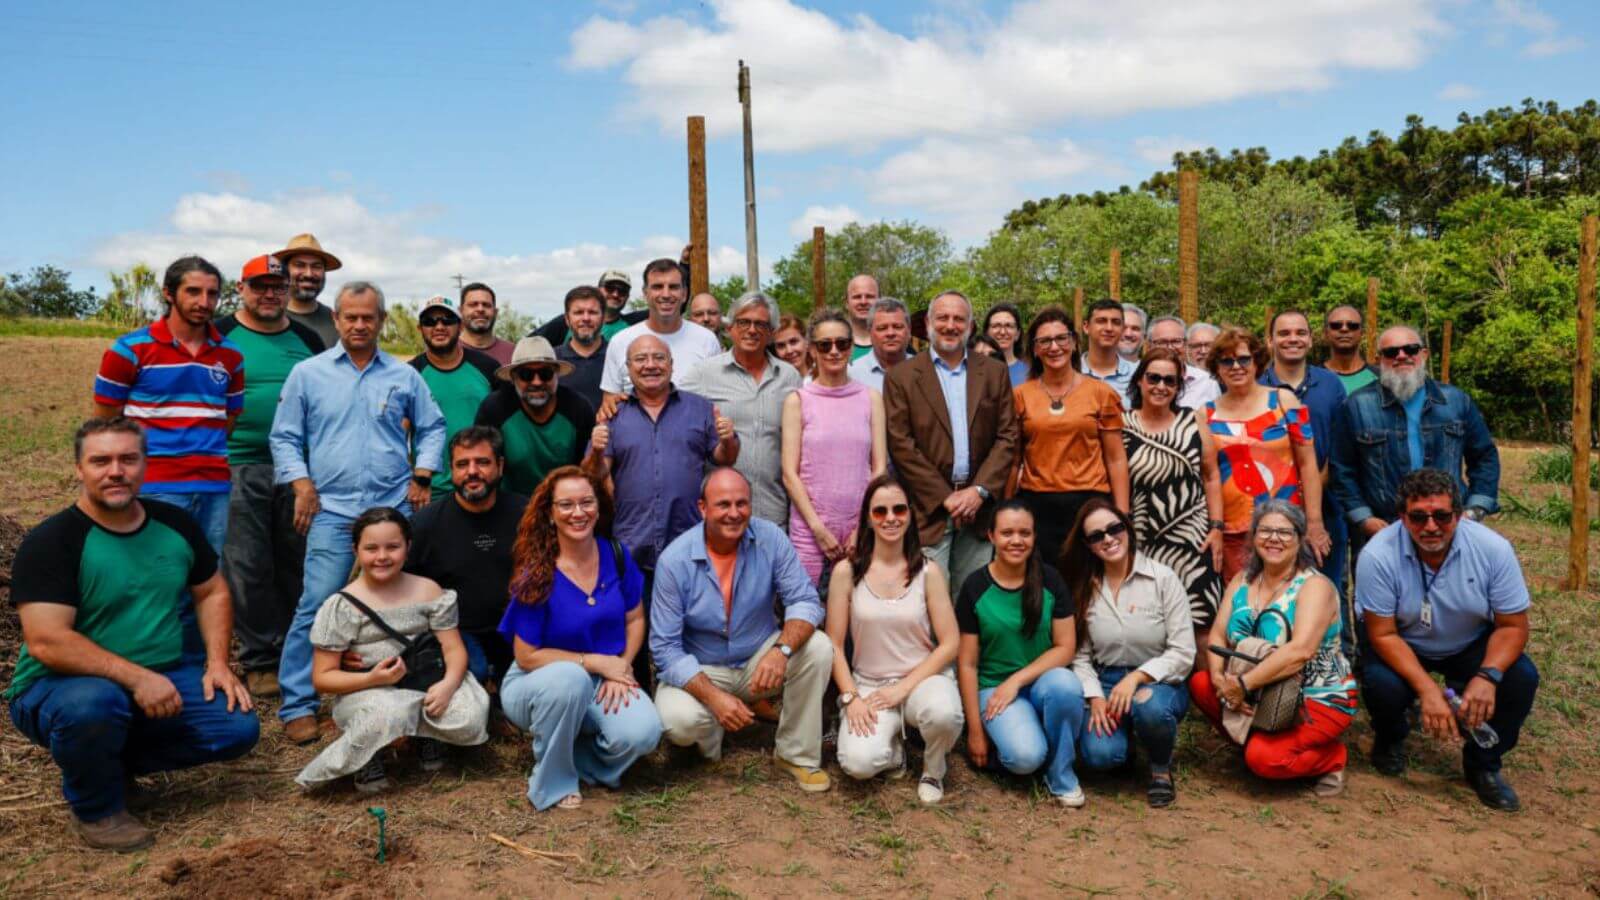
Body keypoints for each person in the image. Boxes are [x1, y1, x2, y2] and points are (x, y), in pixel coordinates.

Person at [6, 418, 257, 851]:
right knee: (93, 707)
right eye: (100, 461)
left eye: (128, 459)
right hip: (59, 688)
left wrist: (217, 663)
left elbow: (212, 590)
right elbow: (48, 641)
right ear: (79, 469)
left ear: (146, 465)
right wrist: (138, 679)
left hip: (161, 672)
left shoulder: (174, 525)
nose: (115, 471)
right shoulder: (53, 542)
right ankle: (97, 807)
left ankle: (105, 761)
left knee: (235, 727)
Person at [269, 281, 447, 745]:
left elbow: (432, 427)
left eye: (369, 317)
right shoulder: (309, 375)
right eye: (351, 317)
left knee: (402, 600)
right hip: (331, 507)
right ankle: (298, 703)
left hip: (391, 505)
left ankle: (406, 686)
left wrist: (423, 474)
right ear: (337, 319)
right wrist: (301, 483)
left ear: (382, 321)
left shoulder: (405, 376)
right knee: (318, 601)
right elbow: (284, 436)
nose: (359, 325)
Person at [1356, 469, 1537, 811]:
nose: (1431, 526)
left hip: (1469, 639)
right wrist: (1427, 691)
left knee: (1520, 679)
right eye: (1418, 517)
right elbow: (1382, 633)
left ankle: (1483, 764)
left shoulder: (1492, 549)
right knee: (1380, 684)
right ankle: (1390, 737)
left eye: (1442, 515)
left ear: (1458, 514)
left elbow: (1513, 626)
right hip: (1402, 640)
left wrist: (1488, 676)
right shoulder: (1377, 554)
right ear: (1402, 518)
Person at [651, 468, 835, 791]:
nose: (734, 513)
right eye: (723, 505)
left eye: (742, 503)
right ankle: (711, 734)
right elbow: (665, 649)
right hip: (704, 668)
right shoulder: (673, 561)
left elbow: (805, 601)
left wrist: (782, 651)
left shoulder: (770, 538)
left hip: (759, 660)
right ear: (703, 508)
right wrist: (714, 697)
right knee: (676, 720)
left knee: (818, 647)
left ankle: (796, 754)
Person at [498, 466, 662, 811]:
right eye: (566, 505)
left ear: (599, 508)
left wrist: (622, 666)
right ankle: (553, 783)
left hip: (604, 676)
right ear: (551, 513)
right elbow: (527, 656)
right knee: (570, 680)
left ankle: (576, 759)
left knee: (644, 733)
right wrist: (593, 662)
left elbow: (635, 619)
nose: (578, 513)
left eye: (586, 502)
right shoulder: (537, 572)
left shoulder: (616, 556)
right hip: (537, 682)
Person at [295, 507, 489, 793]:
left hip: (425, 681)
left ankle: (425, 736)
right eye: (371, 548)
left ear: (407, 548)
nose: (382, 556)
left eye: (392, 547)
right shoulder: (342, 605)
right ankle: (366, 756)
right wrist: (372, 679)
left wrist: (448, 685)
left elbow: (454, 650)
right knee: (388, 711)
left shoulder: (429, 591)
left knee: (472, 712)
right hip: (367, 691)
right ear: (356, 550)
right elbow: (322, 678)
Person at [590, 335, 738, 687]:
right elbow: (595, 476)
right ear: (628, 369)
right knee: (632, 626)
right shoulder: (614, 414)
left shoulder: (699, 408)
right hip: (632, 542)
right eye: (641, 359)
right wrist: (595, 451)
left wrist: (729, 437)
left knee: (689, 627)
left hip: (687, 541)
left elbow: (724, 459)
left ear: (671, 364)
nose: (650, 365)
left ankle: (689, 696)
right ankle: (638, 695)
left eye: (659, 357)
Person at [1189, 501, 1356, 796]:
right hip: (1258, 690)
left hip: (1314, 694)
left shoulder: (1314, 586)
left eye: (1284, 532)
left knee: (1264, 761)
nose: (1274, 538)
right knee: (1202, 684)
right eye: (1265, 530)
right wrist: (1218, 677)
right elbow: (1216, 635)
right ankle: (1258, 739)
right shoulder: (1242, 580)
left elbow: (1300, 651)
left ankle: (1331, 758)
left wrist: (1241, 684)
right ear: (1253, 537)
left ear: (1300, 538)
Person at [216, 255, 326, 697]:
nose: (269, 294)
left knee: (296, 560)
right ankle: (260, 657)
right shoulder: (220, 334)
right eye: (259, 286)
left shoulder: (306, 338)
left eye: (277, 287)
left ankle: (295, 651)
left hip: (297, 469)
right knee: (246, 562)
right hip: (236, 462)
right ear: (241, 289)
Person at [826, 475, 963, 804]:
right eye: (880, 511)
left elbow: (950, 642)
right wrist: (851, 698)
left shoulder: (928, 571)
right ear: (868, 519)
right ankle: (895, 754)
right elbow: (833, 644)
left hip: (920, 680)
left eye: (899, 509)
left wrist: (902, 689)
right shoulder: (847, 571)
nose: (890, 518)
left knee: (944, 714)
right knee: (856, 764)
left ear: (910, 515)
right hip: (870, 686)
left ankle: (933, 768)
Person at [93, 255, 242, 556]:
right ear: (168, 293)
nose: (204, 301)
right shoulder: (129, 349)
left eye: (212, 293)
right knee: (156, 575)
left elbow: (228, 420)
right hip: (154, 485)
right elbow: (106, 422)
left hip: (214, 486)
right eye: (193, 291)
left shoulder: (231, 356)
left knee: (206, 574)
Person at [1063, 500, 1195, 807]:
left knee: (1150, 709)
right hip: (1106, 680)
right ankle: (1126, 747)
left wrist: (1137, 677)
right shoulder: (1084, 587)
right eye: (1097, 536)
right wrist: (1094, 696)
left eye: (1114, 529)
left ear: (1128, 529)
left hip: (1158, 682)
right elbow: (1080, 657)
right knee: (1100, 757)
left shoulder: (1162, 578)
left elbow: (1184, 651)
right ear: (1088, 545)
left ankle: (1160, 769)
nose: (1108, 539)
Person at [885, 291, 1019, 592]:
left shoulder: (994, 372)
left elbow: (1007, 435)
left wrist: (979, 491)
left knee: (973, 599)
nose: (950, 325)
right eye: (942, 317)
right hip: (929, 510)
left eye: (959, 318)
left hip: (978, 510)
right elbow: (901, 444)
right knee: (929, 600)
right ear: (929, 323)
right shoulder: (902, 376)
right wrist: (945, 497)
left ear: (970, 326)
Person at [956, 500, 1085, 806]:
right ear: (991, 536)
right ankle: (1033, 744)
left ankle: (1062, 776)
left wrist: (1017, 680)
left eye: (1024, 533)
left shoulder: (1050, 580)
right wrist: (975, 730)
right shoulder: (975, 586)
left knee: (1066, 685)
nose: (1016, 540)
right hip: (993, 689)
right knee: (1024, 757)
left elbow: (1065, 647)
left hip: (1042, 683)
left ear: (1034, 536)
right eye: (1007, 533)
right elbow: (968, 663)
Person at [1329, 325, 1500, 536]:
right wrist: (1363, 518)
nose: (1401, 356)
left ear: (1424, 354)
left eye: (1410, 349)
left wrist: (1474, 510)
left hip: (1448, 524)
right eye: (1391, 352)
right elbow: (1342, 469)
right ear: (1379, 359)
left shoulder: (1457, 401)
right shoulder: (1356, 406)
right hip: (1383, 528)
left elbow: (1484, 457)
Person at [406, 427, 530, 686]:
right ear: (451, 469)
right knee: (474, 671)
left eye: (482, 462)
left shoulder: (527, 514)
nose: (472, 471)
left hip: (516, 627)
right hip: (453, 632)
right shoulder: (424, 525)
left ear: (500, 465)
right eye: (462, 464)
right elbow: (397, 586)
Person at [1202, 326, 1328, 582]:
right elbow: (1209, 476)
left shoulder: (1284, 400)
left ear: (1257, 362)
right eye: (1227, 361)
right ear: (1217, 368)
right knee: (1243, 603)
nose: (1236, 366)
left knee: (1290, 599)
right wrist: (1215, 527)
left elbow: (1308, 463)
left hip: (1286, 523)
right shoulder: (1204, 414)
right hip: (1234, 529)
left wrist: (1314, 522)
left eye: (1243, 359)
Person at [1260, 310, 1352, 646]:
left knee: (1327, 585)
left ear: (1311, 340)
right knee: (1275, 586)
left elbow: (1341, 444)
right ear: (1270, 340)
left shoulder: (1329, 384)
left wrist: (1315, 486)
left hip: (1325, 506)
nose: (1293, 339)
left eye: (1301, 332)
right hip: (1272, 505)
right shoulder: (1257, 385)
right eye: (1284, 333)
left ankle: (1334, 660)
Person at [1122, 349, 1224, 645]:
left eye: (1170, 380)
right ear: (1139, 380)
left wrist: (1217, 528)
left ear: (1179, 387)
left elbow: (1211, 475)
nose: (1161, 386)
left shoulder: (1193, 421)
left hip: (1193, 539)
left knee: (1202, 621)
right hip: (1140, 539)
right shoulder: (1121, 424)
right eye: (1153, 378)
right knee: (1150, 623)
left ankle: (1206, 690)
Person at [1012, 307, 1130, 561]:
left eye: (1061, 339)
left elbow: (1116, 458)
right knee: (1044, 585)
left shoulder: (1101, 393)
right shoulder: (1021, 395)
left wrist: (1121, 514)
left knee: (1090, 585)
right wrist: (1007, 510)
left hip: (1090, 503)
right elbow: (1013, 461)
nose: (1054, 347)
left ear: (1074, 343)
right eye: (1044, 341)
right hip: (1038, 505)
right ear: (1034, 349)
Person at [782, 310, 887, 583]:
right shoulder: (798, 400)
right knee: (807, 612)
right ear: (812, 350)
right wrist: (818, 529)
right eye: (824, 345)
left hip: (860, 528)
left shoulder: (871, 398)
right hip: (809, 530)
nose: (833, 351)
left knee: (858, 614)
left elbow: (879, 469)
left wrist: (862, 526)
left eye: (842, 343)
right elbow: (789, 474)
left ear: (851, 348)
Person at [682, 291, 802, 528]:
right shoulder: (704, 374)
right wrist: (618, 400)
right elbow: (665, 402)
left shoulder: (789, 377)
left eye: (761, 324)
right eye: (743, 322)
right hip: (722, 515)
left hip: (774, 512)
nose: (751, 330)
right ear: (730, 328)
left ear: (771, 332)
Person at [474, 336, 596, 498]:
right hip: (510, 502)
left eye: (545, 374)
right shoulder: (495, 408)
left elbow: (586, 468)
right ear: (513, 377)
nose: (537, 382)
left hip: (563, 500)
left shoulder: (578, 408)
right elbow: (483, 463)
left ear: (556, 375)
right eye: (526, 374)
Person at [408, 295, 501, 499]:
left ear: (460, 327)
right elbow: (400, 433)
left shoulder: (488, 368)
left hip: (483, 483)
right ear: (420, 329)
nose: (439, 326)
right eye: (430, 322)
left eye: (447, 320)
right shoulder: (409, 374)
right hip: (430, 490)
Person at [600, 259, 722, 397]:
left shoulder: (707, 340)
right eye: (657, 287)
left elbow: (718, 398)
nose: (666, 294)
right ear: (645, 294)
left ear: (684, 294)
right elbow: (609, 404)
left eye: (673, 287)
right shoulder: (620, 342)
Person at [273, 233, 341, 348]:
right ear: (285, 271)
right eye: (300, 265)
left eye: (316, 266)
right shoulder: (267, 317)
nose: (309, 274)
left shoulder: (338, 323)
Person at [1146, 315, 1219, 410]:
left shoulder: (1206, 382)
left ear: (1186, 344)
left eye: (1176, 341)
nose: (1170, 348)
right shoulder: (1140, 379)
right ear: (1149, 346)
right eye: (1162, 342)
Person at [555, 285, 609, 409]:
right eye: (578, 312)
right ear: (567, 319)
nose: (586, 318)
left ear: (604, 318)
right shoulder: (552, 361)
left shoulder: (619, 357)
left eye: (592, 312)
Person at [847, 297, 912, 393]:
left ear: (909, 330)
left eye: (897, 327)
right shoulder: (851, 374)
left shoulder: (925, 371)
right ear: (870, 332)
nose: (890, 333)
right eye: (882, 328)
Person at [1079, 299, 1136, 401]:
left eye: (1116, 322)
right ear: (1086, 327)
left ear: (1122, 329)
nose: (1109, 328)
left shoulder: (1137, 374)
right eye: (1101, 321)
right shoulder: (1070, 372)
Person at [1321, 304, 1378, 393]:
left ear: (1362, 333)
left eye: (1352, 325)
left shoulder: (1381, 379)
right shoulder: (1311, 379)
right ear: (1325, 333)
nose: (1344, 329)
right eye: (1336, 325)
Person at [458, 282, 516, 365]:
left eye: (486, 305)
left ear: (495, 312)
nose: (480, 309)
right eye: (473, 305)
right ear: (461, 311)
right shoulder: (446, 350)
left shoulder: (513, 353)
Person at [982, 302, 1029, 386]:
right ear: (986, 332)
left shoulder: (1029, 373)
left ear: (1017, 334)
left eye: (1009, 326)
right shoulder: (972, 369)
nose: (1003, 332)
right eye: (996, 326)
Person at [845, 273, 880, 360]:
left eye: (869, 296)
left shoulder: (898, 346)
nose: (863, 302)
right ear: (846, 303)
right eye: (857, 297)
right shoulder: (831, 346)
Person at [771, 313, 812, 380]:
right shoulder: (773, 385)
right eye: (781, 345)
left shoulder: (824, 377)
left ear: (806, 341)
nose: (789, 351)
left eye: (793, 342)